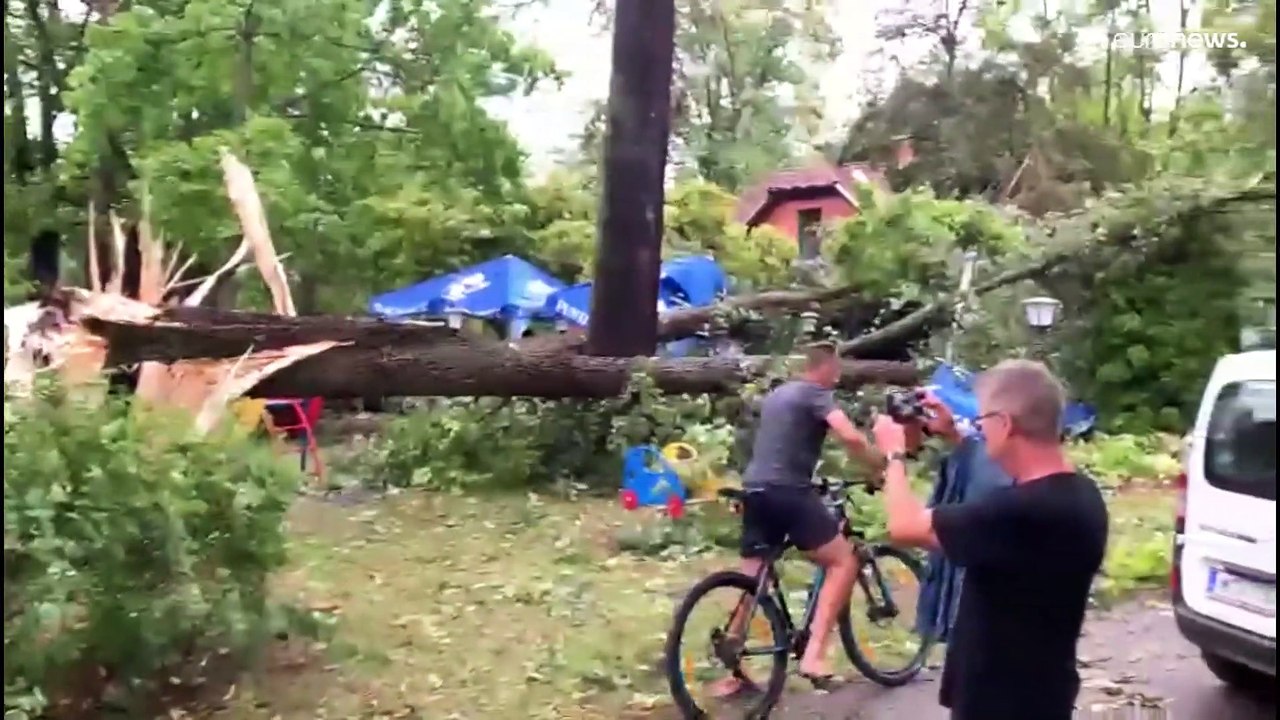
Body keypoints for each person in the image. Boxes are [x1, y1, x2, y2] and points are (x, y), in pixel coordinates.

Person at [871, 359, 1109, 720]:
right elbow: (1015, 473)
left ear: (1005, 423)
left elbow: (904, 526)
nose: (980, 430)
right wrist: (956, 436)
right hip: (1044, 693)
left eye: (982, 421)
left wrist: (894, 453)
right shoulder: (1083, 497)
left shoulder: (1016, 513)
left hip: (998, 703)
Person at [712, 342, 885, 696]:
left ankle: (733, 659)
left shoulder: (779, 395)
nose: (838, 377)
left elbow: (783, 444)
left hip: (755, 488)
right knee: (843, 561)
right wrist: (878, 464)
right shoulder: (816, 394)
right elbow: (849, 436)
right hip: (788, 490)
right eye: (837, 369)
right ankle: (815, 656)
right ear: (825, 367)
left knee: (752, 575)